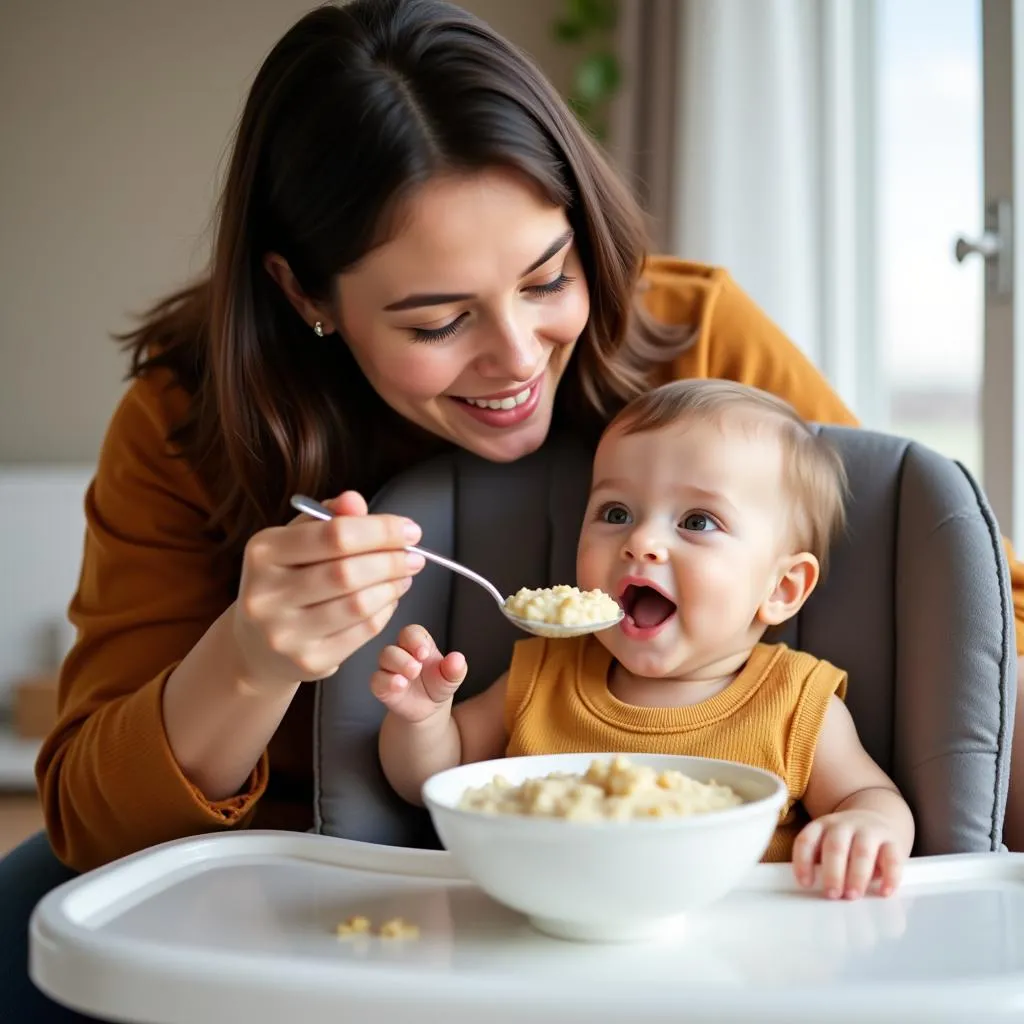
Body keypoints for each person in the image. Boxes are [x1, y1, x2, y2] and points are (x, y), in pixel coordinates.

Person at [2, 0, 1020, 1018]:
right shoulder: (188, 422)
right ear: (306, 291)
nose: (517, 355)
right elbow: (98, 831)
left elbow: (972, 609)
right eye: (437, 320)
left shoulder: (690, 343)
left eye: (548, 278)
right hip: (329, 894)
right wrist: (251, 659)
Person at [374, 379, 916, 900]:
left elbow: (867, 796)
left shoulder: (796, 703)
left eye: (699, 521)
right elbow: (434, 777)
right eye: (616, 513)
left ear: (781, 587)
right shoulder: (542, 674)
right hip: (543, 926)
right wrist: (421, 719)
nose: (642, 541)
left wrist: (866, 826)